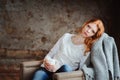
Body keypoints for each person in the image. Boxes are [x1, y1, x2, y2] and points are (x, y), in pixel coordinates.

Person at [32, 18, 105, 80]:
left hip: (64, 75)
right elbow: (50, 54)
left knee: (66, 68)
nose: (88, 31)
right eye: (88, 26)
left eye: (92, 31)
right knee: (39, 74)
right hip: (47, 69)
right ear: (85, 24)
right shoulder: (66, 37)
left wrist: (58, 68)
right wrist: (46, 62)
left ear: (93, 35)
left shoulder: (87, 49)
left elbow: (80, 70)